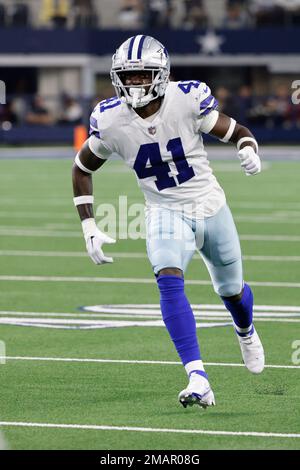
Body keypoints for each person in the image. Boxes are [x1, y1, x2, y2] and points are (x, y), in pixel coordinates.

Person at [72, 35, 265, 410]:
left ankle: (245, 330)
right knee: (168, 278)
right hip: (163, 211)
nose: (136, 84)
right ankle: (197, 376)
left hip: (210, 205)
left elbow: (238, 132)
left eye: (144, 75)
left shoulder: (188, 100)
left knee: (232, 291)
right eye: (129, 77)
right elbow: (81, 168)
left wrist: (248, 149)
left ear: (160, 74)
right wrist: (88, 225)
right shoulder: (110, 119)